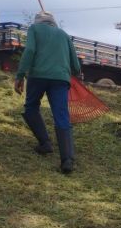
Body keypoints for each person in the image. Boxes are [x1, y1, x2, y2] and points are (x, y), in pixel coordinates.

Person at [14, 11, 81, 174]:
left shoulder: (34, 29)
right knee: (61, 114)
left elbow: (29, 51)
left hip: (38, 76)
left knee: (31, 107)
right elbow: (75, 64)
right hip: (61, 79)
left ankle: (45, 143)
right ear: (53, 23)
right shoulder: (64, 35)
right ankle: (67, 160)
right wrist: (76, 73)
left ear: (38, 22)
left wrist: (20, 75)